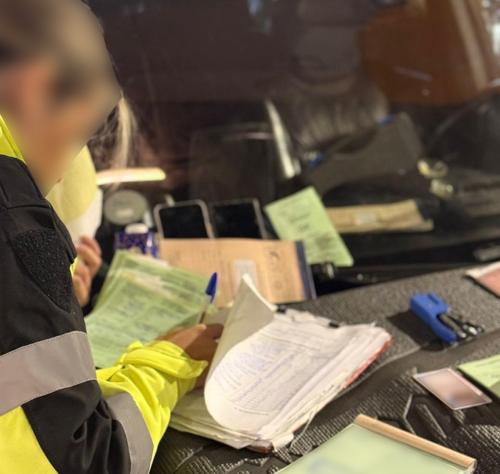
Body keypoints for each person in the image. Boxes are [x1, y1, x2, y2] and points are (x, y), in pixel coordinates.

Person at [0, 1, 222, 473]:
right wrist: (172, 362)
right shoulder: (15, 226)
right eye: (77, 137)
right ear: (36, 85)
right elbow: (90, 460)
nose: (63, 175)